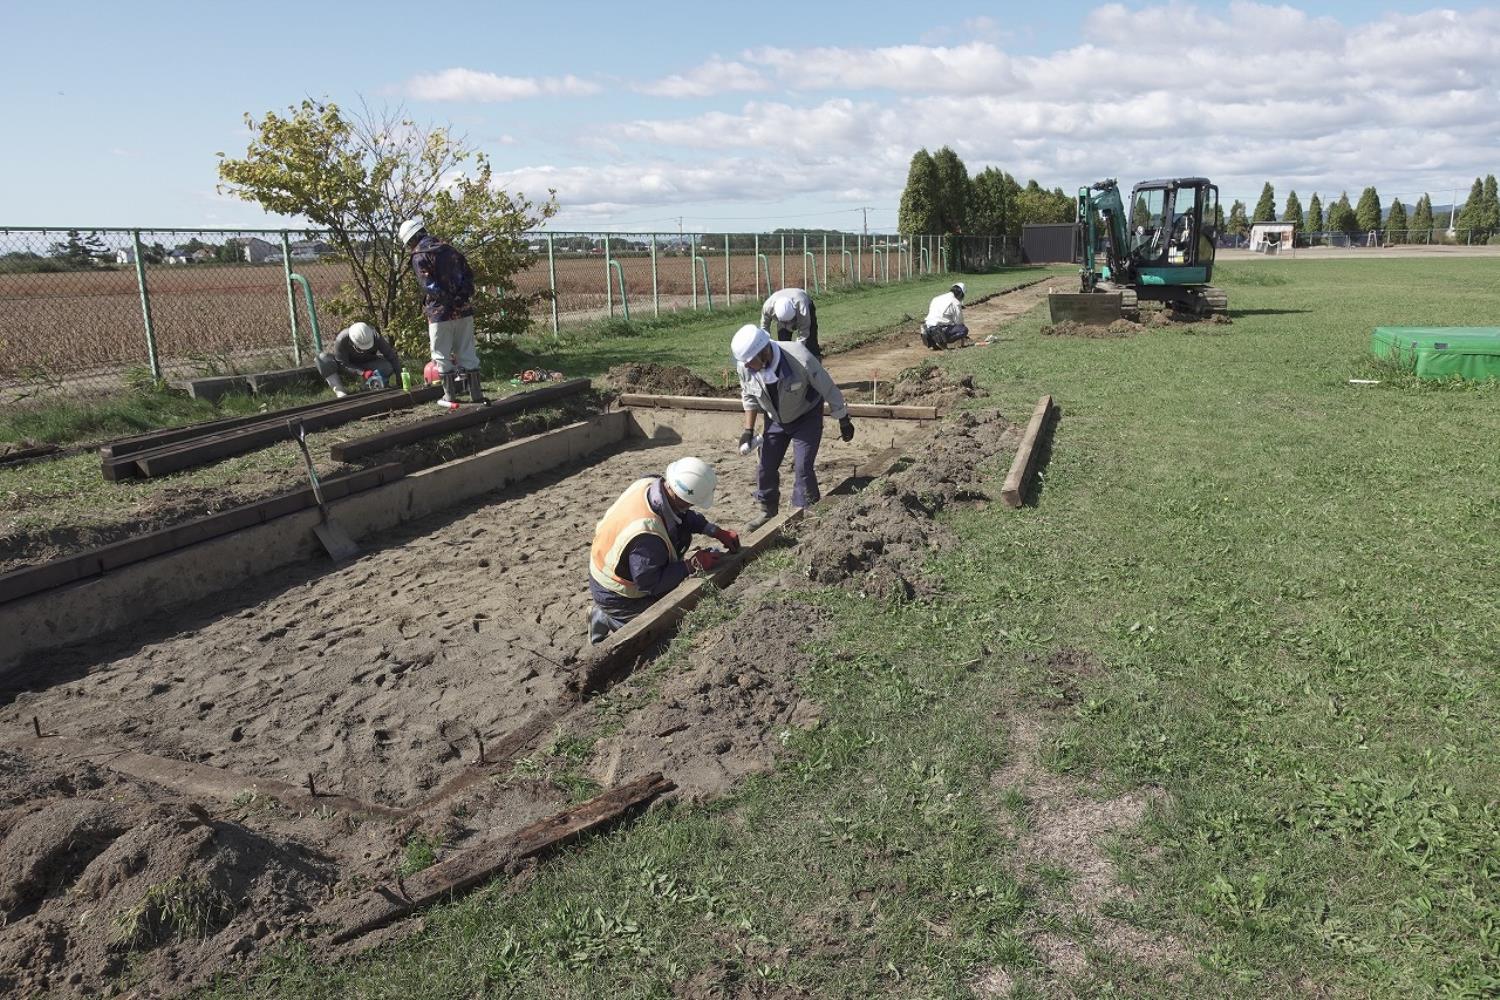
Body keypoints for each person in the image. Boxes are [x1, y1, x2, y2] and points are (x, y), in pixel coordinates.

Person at [587, 457, 741, 644]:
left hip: (612, 564)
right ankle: (607, 618)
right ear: (684, 499)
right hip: (616, 593)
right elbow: (650, 583)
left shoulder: (652, 485)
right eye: (692, 503)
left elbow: (682, 515)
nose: (692, 507)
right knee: (661, 630)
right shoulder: (646, 535)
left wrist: (715, 531)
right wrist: (691, 565)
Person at [731, 324, 853, 531]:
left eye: (751, 362)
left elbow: (827, 387)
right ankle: (767, 510)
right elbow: (749, 397)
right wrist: (748, 431)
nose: (748, 367)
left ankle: (806, 513)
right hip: (776, 419)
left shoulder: (799, 358)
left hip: (806, 417)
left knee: (802, 467)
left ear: (764, 352)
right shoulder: (746, 366)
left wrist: (843, 418)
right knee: (765, 467)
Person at [399, 218, 485, 405]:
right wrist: (459, 298)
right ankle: (476, 395)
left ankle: (450, 396)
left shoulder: (419, 255)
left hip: (440, 313)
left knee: (441, 354)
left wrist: (446, 301)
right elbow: (468, 277)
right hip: (463, 310)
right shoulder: (450, 249)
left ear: (410, 240)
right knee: (467, 351)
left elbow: (429, 286)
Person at [315, 322, 402, 398]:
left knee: (387, 366)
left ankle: (370, 386)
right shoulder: (341, 339)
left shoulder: (375, 336)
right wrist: (362, 372)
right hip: (345, 366)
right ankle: (340, 391)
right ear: (352, 341)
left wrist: (400, 376)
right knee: (322, 359)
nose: (364, 349)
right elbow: (343, 363)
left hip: (366, 363)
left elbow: (392, 356)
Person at [759, 287, 822, 358]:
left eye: (790, 321)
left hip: (804, 302)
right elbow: (764, 328)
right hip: (781, 320)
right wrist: (767, 346)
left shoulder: (802, 308)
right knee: (783, 343)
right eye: (785, 322)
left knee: (810, 340)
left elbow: (804, 332)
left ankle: (816, 360)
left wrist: (798, 352)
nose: (788, 324)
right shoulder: (767, 308)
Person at [921, 282, 969, 349]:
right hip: (939, 328)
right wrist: (963, 337)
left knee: (940, 325)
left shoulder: (936, 298)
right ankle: (941, 340)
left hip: (929, 325)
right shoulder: (955, 302)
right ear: (961, 294)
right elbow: (959, 322)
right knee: (963, 329)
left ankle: (931, 337)